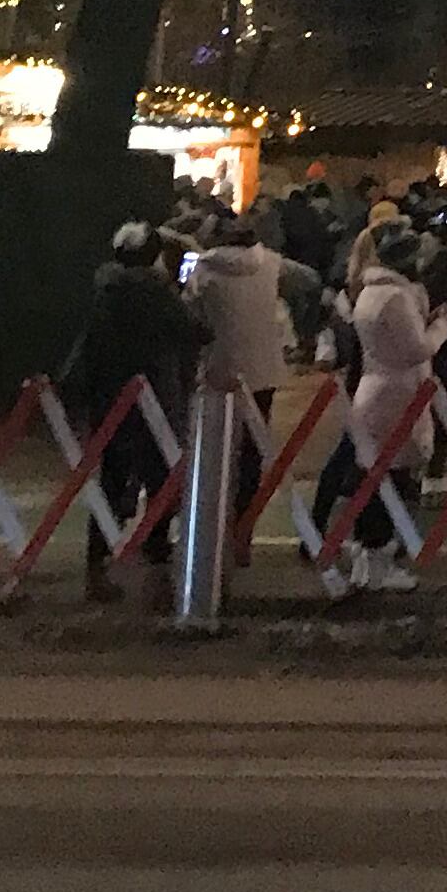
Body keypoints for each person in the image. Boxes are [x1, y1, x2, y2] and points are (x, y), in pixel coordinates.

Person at [67, 220, 203, 601]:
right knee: (160, 476)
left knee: (111, 480)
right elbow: (192, 330)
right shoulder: (158, 293)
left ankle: (98, 562)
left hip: (108, 396)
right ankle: (156, 558)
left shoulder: (104, 289)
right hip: (154, 396)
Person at [319, 215, 445, 599]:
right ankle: (378, 561)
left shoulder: (369, 292)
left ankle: (365, 555)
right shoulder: (396, 297)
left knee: (372, 477)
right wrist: (441, 326)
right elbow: (415, 349)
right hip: (397, 395)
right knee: (392, 480)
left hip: (375, 391)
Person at [190, 203, 289, 550]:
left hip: (220, 369)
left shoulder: (204, 269)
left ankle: (212, 528)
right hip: (264, 370)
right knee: (252, 451)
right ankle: (243, 529)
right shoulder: (272, 263)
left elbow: (193, 313)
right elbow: (307, 279)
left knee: (217, 450)